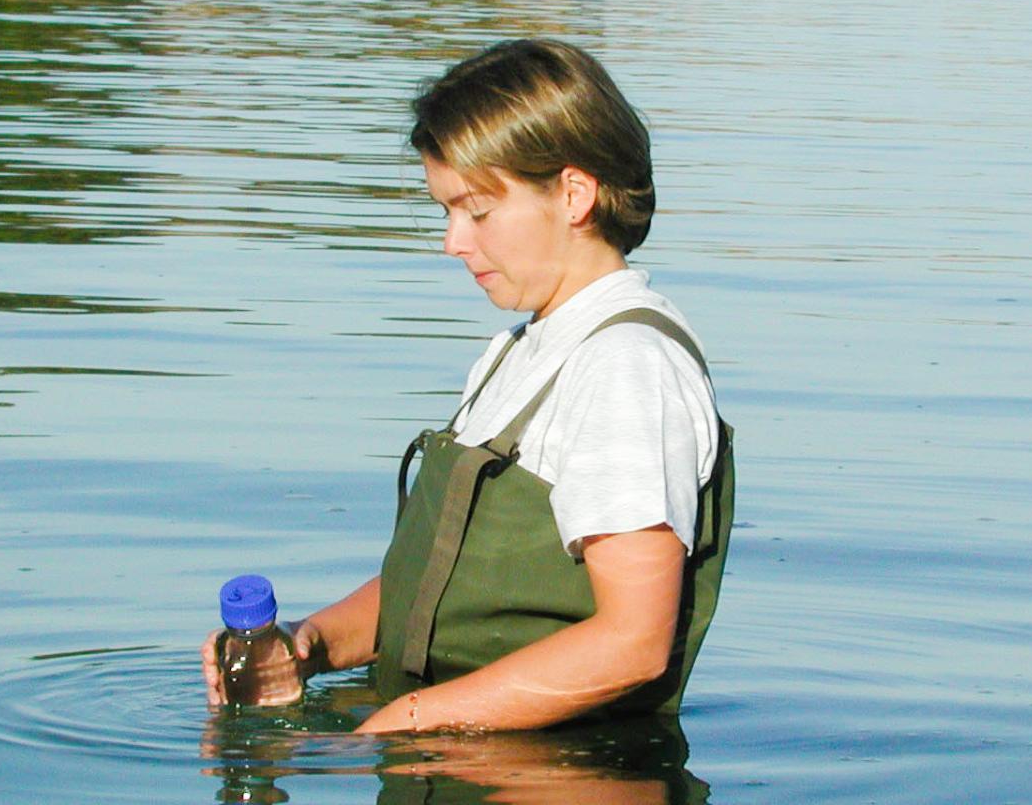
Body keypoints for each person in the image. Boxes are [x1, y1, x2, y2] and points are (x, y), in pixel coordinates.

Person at [200, 39, 734, 733]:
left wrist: (403, 724)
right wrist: (308, 646)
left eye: (476, 211)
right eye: (445, 211)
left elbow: (631, 644)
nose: (453, 241)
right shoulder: (525, 350)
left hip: (565, 769)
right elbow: (436, 588)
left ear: (573, 194)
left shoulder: (625, 367)